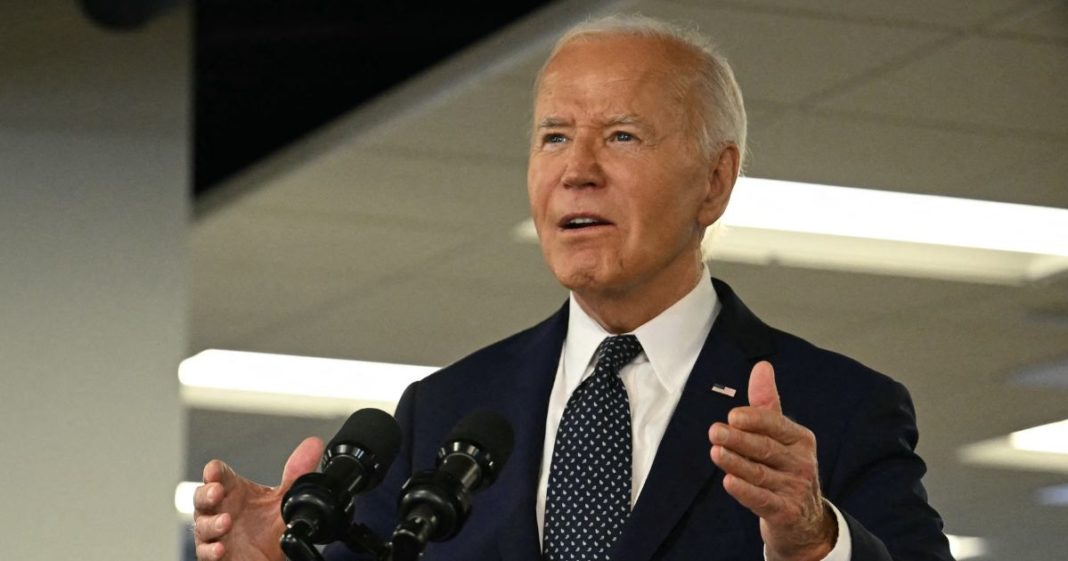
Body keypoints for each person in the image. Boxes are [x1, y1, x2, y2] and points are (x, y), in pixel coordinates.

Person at [193, 15, 952, 561]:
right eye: (554, 135)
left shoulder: (836, 409)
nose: (576, 168)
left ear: (714, 182)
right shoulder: (447, 410)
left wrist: (820, 541)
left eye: (621, 136)